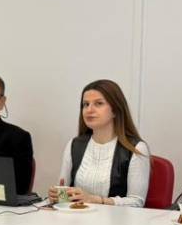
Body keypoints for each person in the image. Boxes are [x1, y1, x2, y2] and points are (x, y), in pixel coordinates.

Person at [50, 79, 151, 207]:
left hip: (117, 219)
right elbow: (63, 192)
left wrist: (96, 200)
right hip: (77, 217)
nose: (89, 110)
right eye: (86, 104)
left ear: (115, 110)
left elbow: (136, 202)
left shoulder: (136, 148)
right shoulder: (74, 145)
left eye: (98, 103)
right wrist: (57, 196)